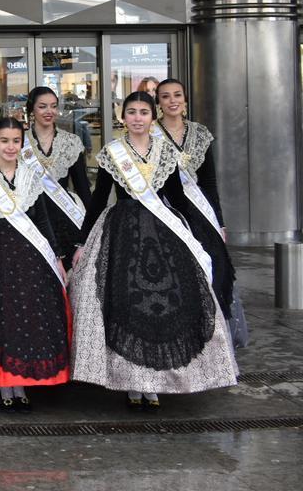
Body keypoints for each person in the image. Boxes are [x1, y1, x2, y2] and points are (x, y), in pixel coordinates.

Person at [71, 92, 238, 410]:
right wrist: (81, 242)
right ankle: (132, 384)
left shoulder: (166, 153)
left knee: (165, 306)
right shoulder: (112, 153)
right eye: (131, 112)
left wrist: (196, 236)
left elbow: (178, 198)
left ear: (152, 116)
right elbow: (98, 199)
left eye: (143, 112)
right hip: (122, 233)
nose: (137, 118)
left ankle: (157, 383)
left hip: (163, 233)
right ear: (123, 117)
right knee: (127, 306)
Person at [0, 117, 71, 413]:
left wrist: (57, 256)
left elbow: (43, 220)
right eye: (4, 141)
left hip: (28, 257)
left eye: (16, 141)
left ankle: (20, 382)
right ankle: (2, 384)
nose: (10, 146)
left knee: (26, 316)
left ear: (22, 144)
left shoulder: (32, 177)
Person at [154, 78, 245, 347]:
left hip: (200, 212)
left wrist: (220, 221)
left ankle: (214, 339)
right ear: (158, 102)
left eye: (177, 95)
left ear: (185, 99)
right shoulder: (150, 133)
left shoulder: (200, 134)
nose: (172, 101)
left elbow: (208, 182)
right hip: (165, 209)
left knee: (215, 268)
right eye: (166, 96)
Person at [23, 87, 92, 263]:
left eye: (53, 106)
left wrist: (91, 226)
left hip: (65, 219)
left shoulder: (71, 142)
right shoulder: (19, 142)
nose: (49, 111)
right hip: (30, 220)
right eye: (42, 106)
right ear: (31, 109)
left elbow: (82, 187)